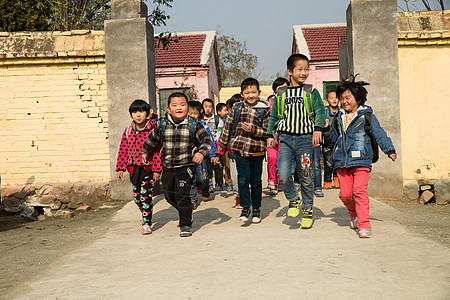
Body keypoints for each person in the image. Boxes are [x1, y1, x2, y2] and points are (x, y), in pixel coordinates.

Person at [325, 75, 397, 238]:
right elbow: (333, 138)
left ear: (358, 98)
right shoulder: (338, 117)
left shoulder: (367, 116)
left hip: (361, 161)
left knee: (359, 191)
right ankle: (353, 212)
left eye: (347, 98)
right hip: (342, 162)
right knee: (345, 195)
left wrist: (389, 149)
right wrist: (326, 129)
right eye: (341, 98)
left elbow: (379, 134)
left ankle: (364, 225)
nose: (344, 101)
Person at [267, 53, 326, 229]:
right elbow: (274, 116)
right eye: (300, 69)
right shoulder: (281, 93)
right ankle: (293, 199)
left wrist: (318, 129)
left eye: (306, 69)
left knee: (306, 175)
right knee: (283, 173)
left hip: (306, 140)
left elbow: (321, 112)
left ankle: (307, 208)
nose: (304, 72)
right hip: (285, 139)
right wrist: (270, 134)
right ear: (289, 71)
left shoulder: (311, 91)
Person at [142, 93, 212, 237]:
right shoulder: (161, 124)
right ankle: (184, 209)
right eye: (175, 105)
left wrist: (201, 152)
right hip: (168, 166)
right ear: (168, 109)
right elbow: (152, 139)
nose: (179, 108)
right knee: (168, 195)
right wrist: (145, 152)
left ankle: (185, 224)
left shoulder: (193, 124)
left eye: (182, 105)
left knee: (182, 194)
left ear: (188, 107)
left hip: (186, 166)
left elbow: (206, 139)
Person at [213, 78, 270, 223]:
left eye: (253, 92)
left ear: (259, 92)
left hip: (257, 150)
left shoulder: (265, 109)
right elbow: (227, 129)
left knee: (256, 181)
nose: (251, 95)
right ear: (242, 94)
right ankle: (246, 207)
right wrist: (220, 150)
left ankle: (256, 208)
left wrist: (253, 130)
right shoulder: (237, 108)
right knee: (242, 179)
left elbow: (268, 132)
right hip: (239, 150)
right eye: (247, 93)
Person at [115, 99, 162, 235]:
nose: (138, 115)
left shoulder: (153, 131)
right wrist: (120, 167)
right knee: (137, 197)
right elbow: (123, 149)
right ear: (131, 115)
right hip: (133, 169)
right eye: (135, 112)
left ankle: (146, 222)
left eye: (141, 111)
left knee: (145, 196)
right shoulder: (128, 131)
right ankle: (145, 211)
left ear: (147, 114)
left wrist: (157, 170)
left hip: (148, 169)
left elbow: (158, 151)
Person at [188, 100, 217, 208]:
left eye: (195, 114)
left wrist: (213, 154)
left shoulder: (203, 125)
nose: (193, 116)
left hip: (201, 156)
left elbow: (210, 140)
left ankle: (205, 189)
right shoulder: (183, 126)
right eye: (190, 114)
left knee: (202, 178)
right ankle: (193, 199)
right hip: (188, 157)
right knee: (191, 178)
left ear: (200, 113)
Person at [266, 77, 289, 195]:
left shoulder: (291, 101)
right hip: (271, 134)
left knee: (282, 159)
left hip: (285, 134)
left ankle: (280, 181)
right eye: (279, 88)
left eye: (285, 87)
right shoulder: (269, 102)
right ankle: (271, 180)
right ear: (275, 90)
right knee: (272, 157)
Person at [224, 94, 244, 208]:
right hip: (233, 153)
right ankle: (238, 197)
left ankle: (245, 195)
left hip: (247, 153)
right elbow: (223, 135)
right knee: (235, 177)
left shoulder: (250, 116)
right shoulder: (227, 120)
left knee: (246, 177)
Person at [202, 98, 224, 191]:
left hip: (216, 145)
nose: (208, 109)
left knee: (217, 165)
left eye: (210, 107)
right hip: (205, 146)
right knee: (207, 166)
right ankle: (210, 184)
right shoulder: (200, 120)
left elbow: (220, 132)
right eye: (206, 107)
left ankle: (219, 181)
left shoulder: (217, 119)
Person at [322, 90, 340, 190]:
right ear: (327, 100)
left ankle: (336, 179)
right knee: (328, 163)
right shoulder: (325, 112)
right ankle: (327, 181)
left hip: (339, 143)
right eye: (331, 98)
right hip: (328, 143)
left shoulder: (341, 112)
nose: (334, 100)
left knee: (338, 163)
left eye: (336, 98)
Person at [216, 102, 233, 192]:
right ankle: (228, 182)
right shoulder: (223, 121)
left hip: (236, 147)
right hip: (226, 147)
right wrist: (219, 149)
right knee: (227, 166)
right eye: (225, 110)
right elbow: (220, 135)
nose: (226, 112)